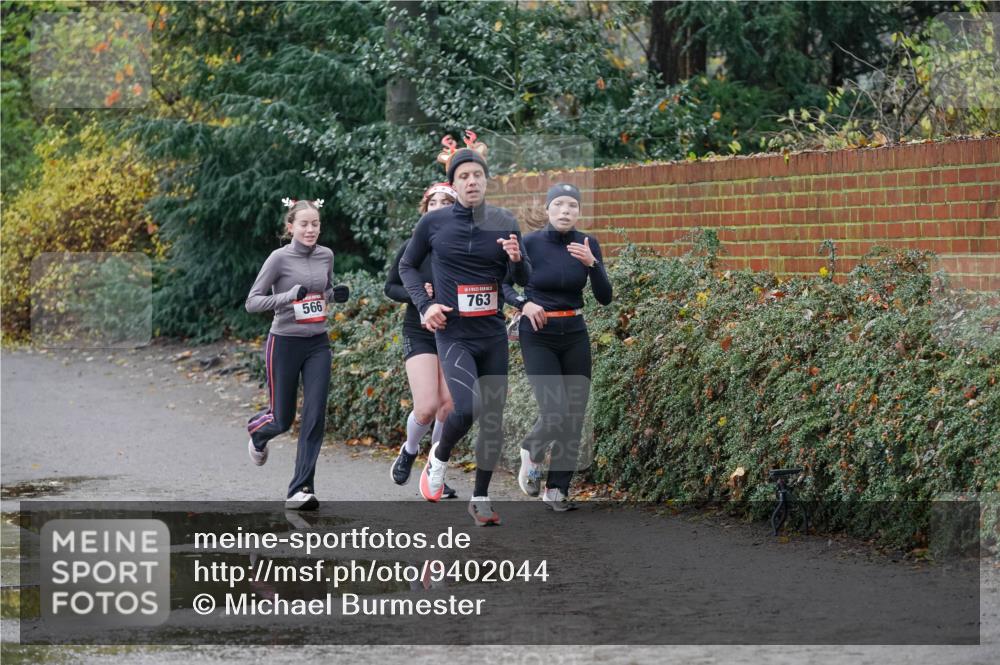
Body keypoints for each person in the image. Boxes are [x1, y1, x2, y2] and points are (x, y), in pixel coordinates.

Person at [399, 132, 531, 526]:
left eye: (478, 175)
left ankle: (481, 497)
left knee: (493, 415)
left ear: (486, 181)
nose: (472, 181)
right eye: (464, 176)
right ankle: (439, 456)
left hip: (491, 333)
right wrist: (425, 306)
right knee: (468, 404)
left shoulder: (504, 221)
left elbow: (519, 276)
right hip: (453, 332)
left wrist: (517, 259)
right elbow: (407, 266)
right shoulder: (434, 222)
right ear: (453, 184)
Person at [503, 183, 613, 511]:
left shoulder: (587, 243)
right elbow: (506, 285)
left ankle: (557, 489)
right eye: (559, 205)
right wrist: (525, 305)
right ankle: (532, 450)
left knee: (574, 414)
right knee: (555, 412)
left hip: (575, 331)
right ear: (548, 209)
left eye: (572, 206)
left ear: (579, 211)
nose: (566, 211)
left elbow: (605, 298)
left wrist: (594, 265)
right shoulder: (531, 243)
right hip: (538, 332)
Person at [245, 198, 349, 510]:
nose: (310, 229)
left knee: (315, 415)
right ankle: (258, 433)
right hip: (285, 342)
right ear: (290, 227)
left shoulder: (326, 255)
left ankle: (300, 488)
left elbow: (322, 293)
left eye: (315, 224)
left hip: (318, 343)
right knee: (282, 419)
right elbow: (252, 302)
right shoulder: (279, 258)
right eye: (303, 224)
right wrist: (289, 297)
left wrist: (334, 295)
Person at [384, 182, 458, 498]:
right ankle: (410, 449)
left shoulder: (466, 246)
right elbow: (391, 287)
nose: (439, 208)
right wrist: (417, 297)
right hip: (420, 332)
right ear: (424, 209)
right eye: (433, 203)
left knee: (449, 407)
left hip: (455, 332)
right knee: (427, 407)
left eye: (446, 202)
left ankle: (434, 469)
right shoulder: (413, 245)